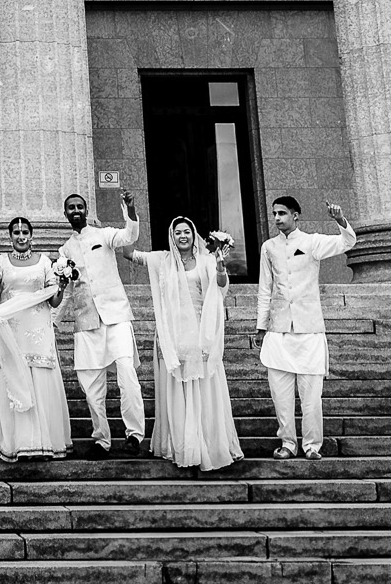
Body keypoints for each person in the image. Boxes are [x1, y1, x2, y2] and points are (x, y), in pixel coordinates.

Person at [130, 215, 242, 473]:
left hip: (200, 333)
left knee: (203, 389)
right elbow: (128, 253)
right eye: (178, 232)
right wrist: (132, 215)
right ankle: (180, 444)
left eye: (187, 232)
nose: (183, 236)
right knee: (177, 389)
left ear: (194, 236)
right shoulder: (161, 260)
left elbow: (220, 288)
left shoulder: (206, 261)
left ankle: (206, 444)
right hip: (172, 334)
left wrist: (221, 266)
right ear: (172, 235)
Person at [256, 196, 356, 460]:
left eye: (283, 213)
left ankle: (312, 445)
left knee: (311, 396)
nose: (277, 218)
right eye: (275, 214)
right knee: (281, 395)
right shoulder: (268, 247)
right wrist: (260, 326)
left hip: (309, 329)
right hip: (278, 330)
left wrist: (340, 220)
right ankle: (288, 443)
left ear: (296, 215)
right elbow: (265, 289)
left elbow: (347, 242)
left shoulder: (312, 242)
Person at [0, 214, 72, 461]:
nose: (21, 237)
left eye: (25, 233)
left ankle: (42, 443)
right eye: (16, 233)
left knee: (39, 379)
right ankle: (12, 443)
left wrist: (60, 286)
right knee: (13, 377)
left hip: (38, 329)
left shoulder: (44, 262)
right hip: (12, 330)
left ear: (31, 236)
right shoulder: (1, 261)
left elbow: (53, 300)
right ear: (10, 237)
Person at [61, 188, 146, 456]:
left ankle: (134, 435)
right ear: (65, 214)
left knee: (127, 376)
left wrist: (130, 211)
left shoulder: (104, 234)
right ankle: (101, 439)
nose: (76, 211)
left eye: (80, 207)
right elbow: (65, 289)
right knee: (91, 387)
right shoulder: (64, 249)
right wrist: (51, 321)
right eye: (71, 208)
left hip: (116, 316)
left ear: (86, 210)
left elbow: (129, 235)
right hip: (86, 322)